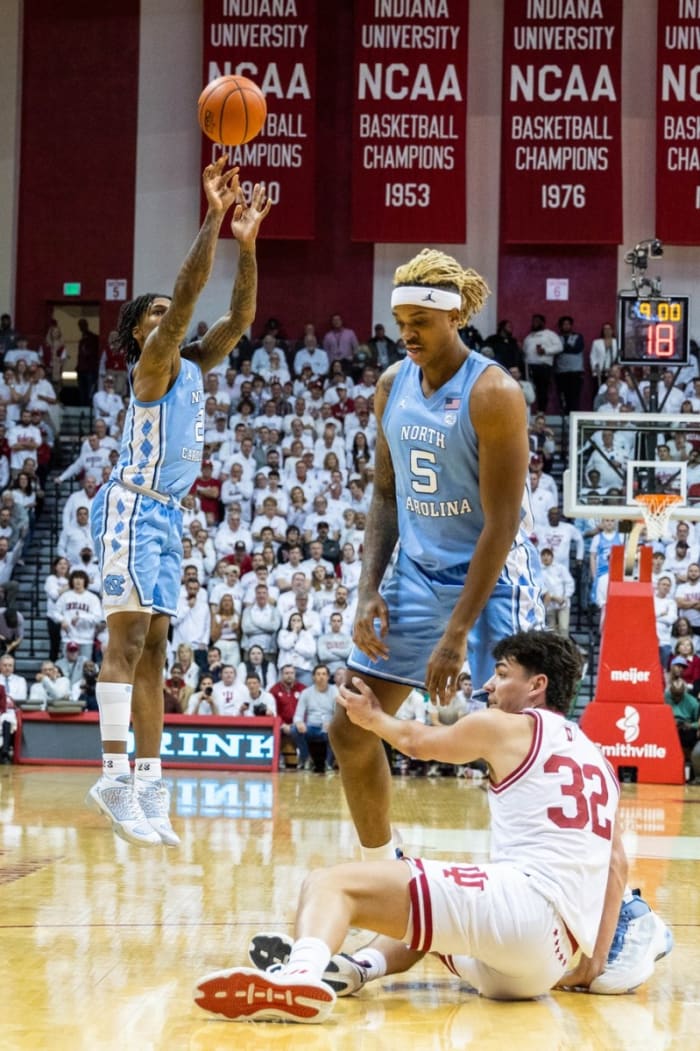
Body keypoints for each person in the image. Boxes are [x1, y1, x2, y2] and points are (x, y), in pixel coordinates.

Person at [194, 633, 673, 1023]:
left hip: (522, 908)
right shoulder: (598, 758)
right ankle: (356, 968)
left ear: (537, 686)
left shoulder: (513, 726)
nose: (487, 686)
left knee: (330, 884)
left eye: (502, 675)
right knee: (428, 924)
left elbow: (420, 743)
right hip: (542, 963)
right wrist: (591, 963)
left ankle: (299, 976)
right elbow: (616, 866)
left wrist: (372, 716)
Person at [331, 248, 542, 860]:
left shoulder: (494, 392)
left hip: (492, 579)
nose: (407, 334)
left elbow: (502, 525)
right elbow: (385, 493)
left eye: (419, 322)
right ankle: (384, 870)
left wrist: (457, 634)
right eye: (401, 322)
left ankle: (574, 887)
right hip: (415, 577)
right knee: (349, 727)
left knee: (524, 745)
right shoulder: (392, 385)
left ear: (453, 319)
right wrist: (370, 588)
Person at [86, 158, 271, 848]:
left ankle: (150, 779)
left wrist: (247, 244)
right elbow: (193, 291)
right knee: (127, 640)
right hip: (131, 506)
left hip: (165, 515)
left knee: (158, 649)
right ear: (141, 332)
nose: (171, 317)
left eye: (171, 313)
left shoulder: (195, 361)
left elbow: (240, 313)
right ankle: (111, 772)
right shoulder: (154, 363)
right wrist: (214, 215)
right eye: (157, 313)